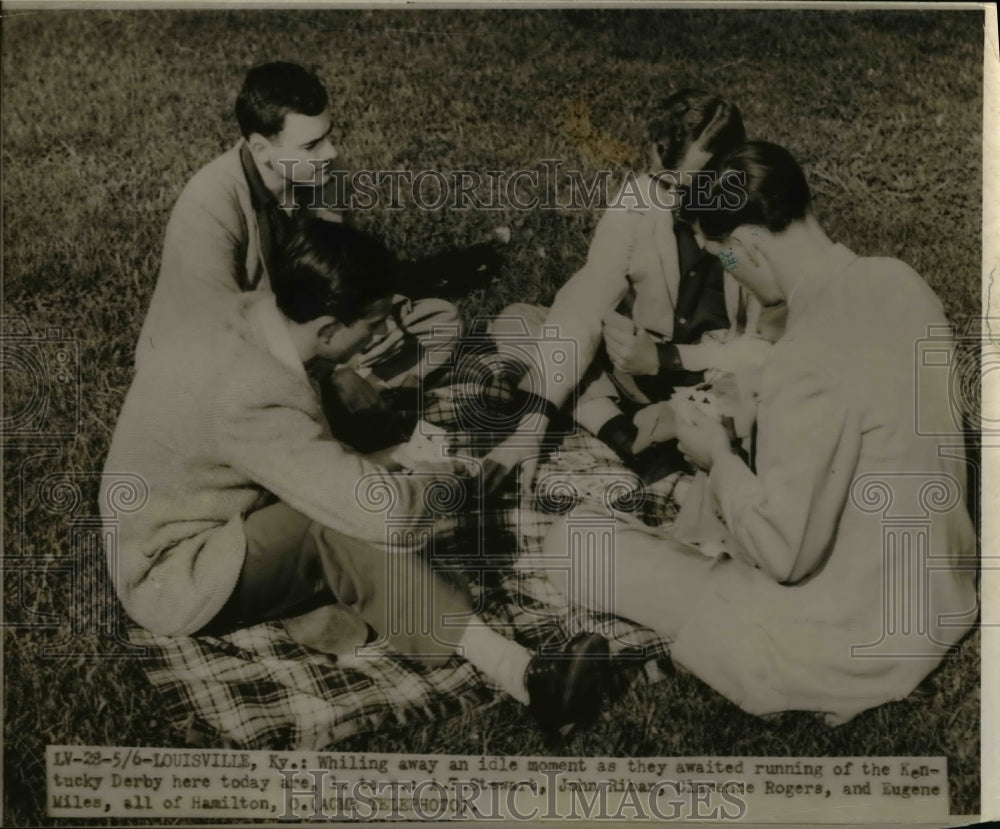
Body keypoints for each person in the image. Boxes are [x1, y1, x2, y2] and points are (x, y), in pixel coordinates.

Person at [102, 218, 610, 736]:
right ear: (327, 330)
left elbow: (295, 445)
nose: (386, 333)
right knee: (339, 526)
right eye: (374, 323)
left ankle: (335, 602)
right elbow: (382, 514)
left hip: (198, 513)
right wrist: (455, 482)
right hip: (173, 572)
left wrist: (399, 452)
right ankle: (525, 676)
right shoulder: (254, 394)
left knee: (347, 480)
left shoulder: (252, 315)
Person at [542, 141, 978, 723]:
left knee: (575, 544)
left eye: (722, 257)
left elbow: (784, 556)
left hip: (854, 638)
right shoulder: (899, 281)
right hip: (938, 591)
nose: (732, 276)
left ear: (747, 242)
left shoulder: (806, 355)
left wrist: (718, 457)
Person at [136, 61, 496, 448]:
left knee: (439, 321)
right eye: (311, 145)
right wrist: (334, 370)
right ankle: (347, 411)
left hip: (316, 337)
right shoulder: (209, 204)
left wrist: (371, 322)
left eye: (329, 136)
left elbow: (344, 273)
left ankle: (364, 402)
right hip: (238, 360)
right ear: (262, 149)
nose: (332, 152)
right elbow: (219, 333)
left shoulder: (327, 175)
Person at [486, 89, 781, 488]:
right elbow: (585, 302)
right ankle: (627, 438)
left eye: (690, 186)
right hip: (632, 371)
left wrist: (668, 358)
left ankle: (636, 435)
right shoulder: (639, 201)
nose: (675, 201)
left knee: (768, 397)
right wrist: (531, 427)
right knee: (521, 322)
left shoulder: (755, 220)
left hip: (711, 376)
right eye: (664, 181)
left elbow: (769, 344)